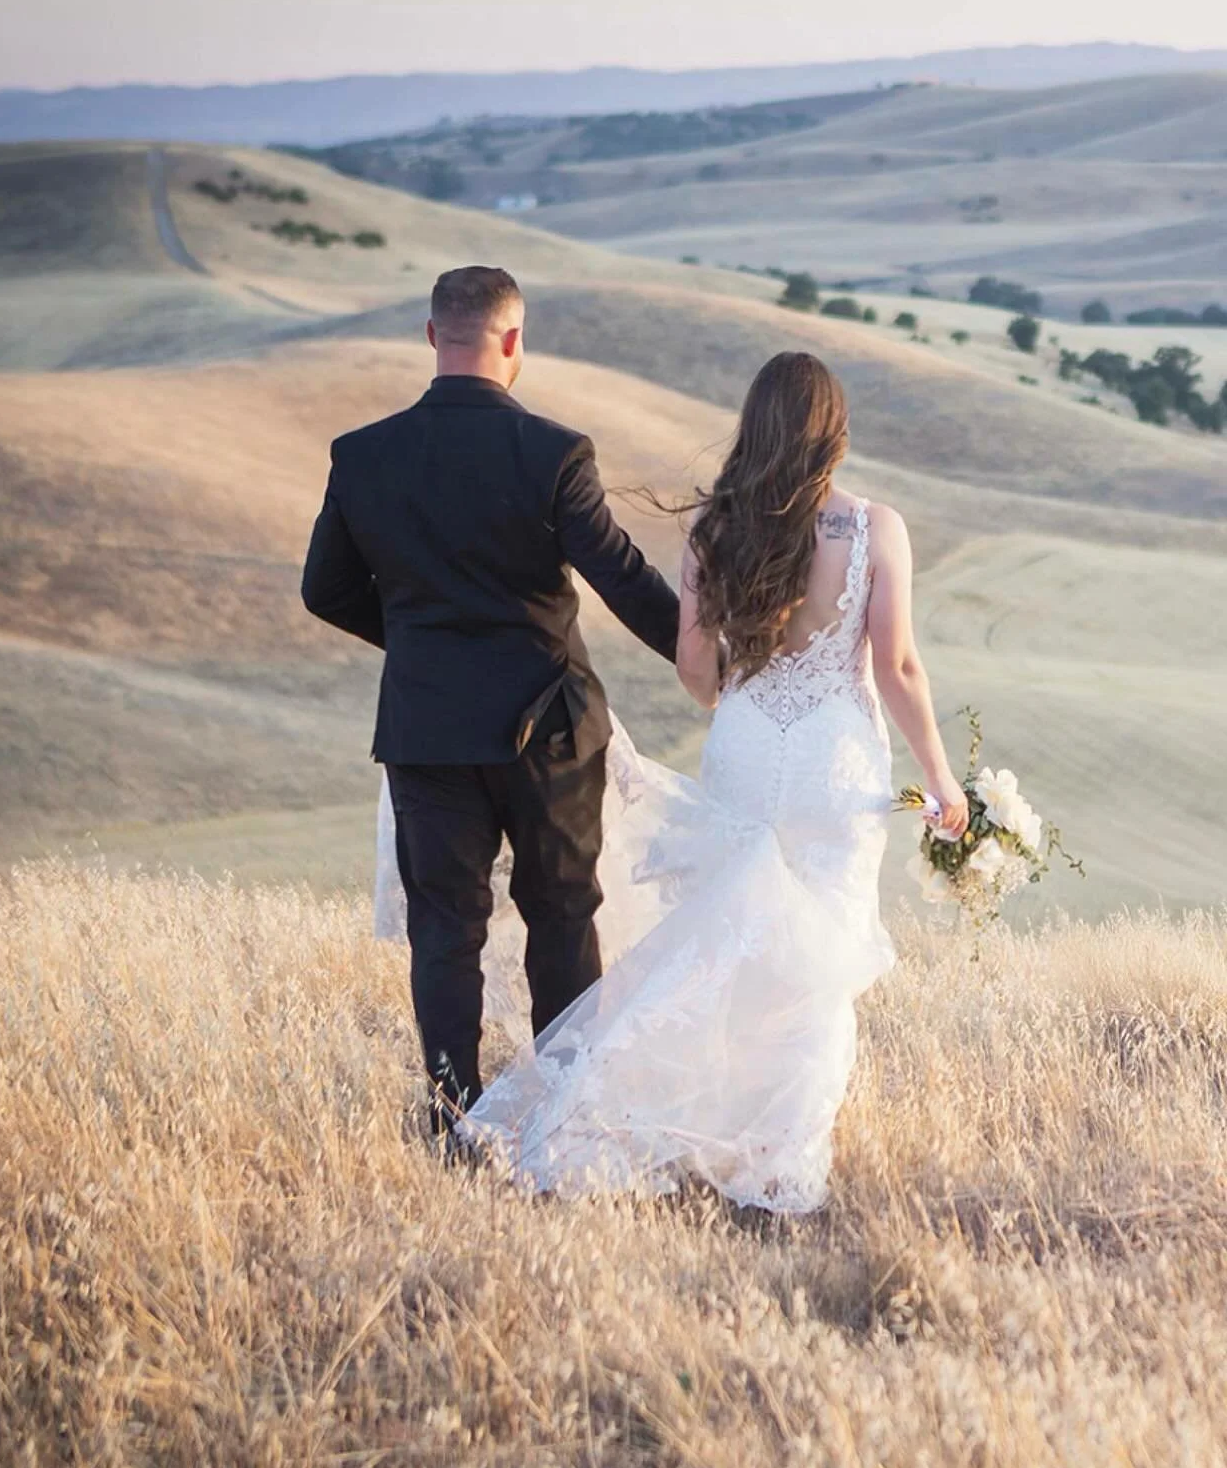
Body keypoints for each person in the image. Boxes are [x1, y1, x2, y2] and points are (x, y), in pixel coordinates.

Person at [454, 351, 969, 1211]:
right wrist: (941, 780)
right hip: (834, 764)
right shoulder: (875, 528)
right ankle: (777, 1165)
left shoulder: (714, 532)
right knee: (818, 962)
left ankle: (679, 1126)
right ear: (834, 433)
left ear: (754, 424)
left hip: (744, 745)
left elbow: (696, 668)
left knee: (732, 946)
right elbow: (899, 665)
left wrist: (737, 701)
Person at [301, 266, 680, 1139]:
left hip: (426, 730)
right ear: (515, 342)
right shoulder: (554, 453)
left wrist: (429, 646)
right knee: (560, 917)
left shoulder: (362, 454)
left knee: (445, 931)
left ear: (432, 337)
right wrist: (717, 665)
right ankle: (563, 1113)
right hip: (547, 730)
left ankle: (449, 1118)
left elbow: (326, 591)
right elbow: (623, 579)